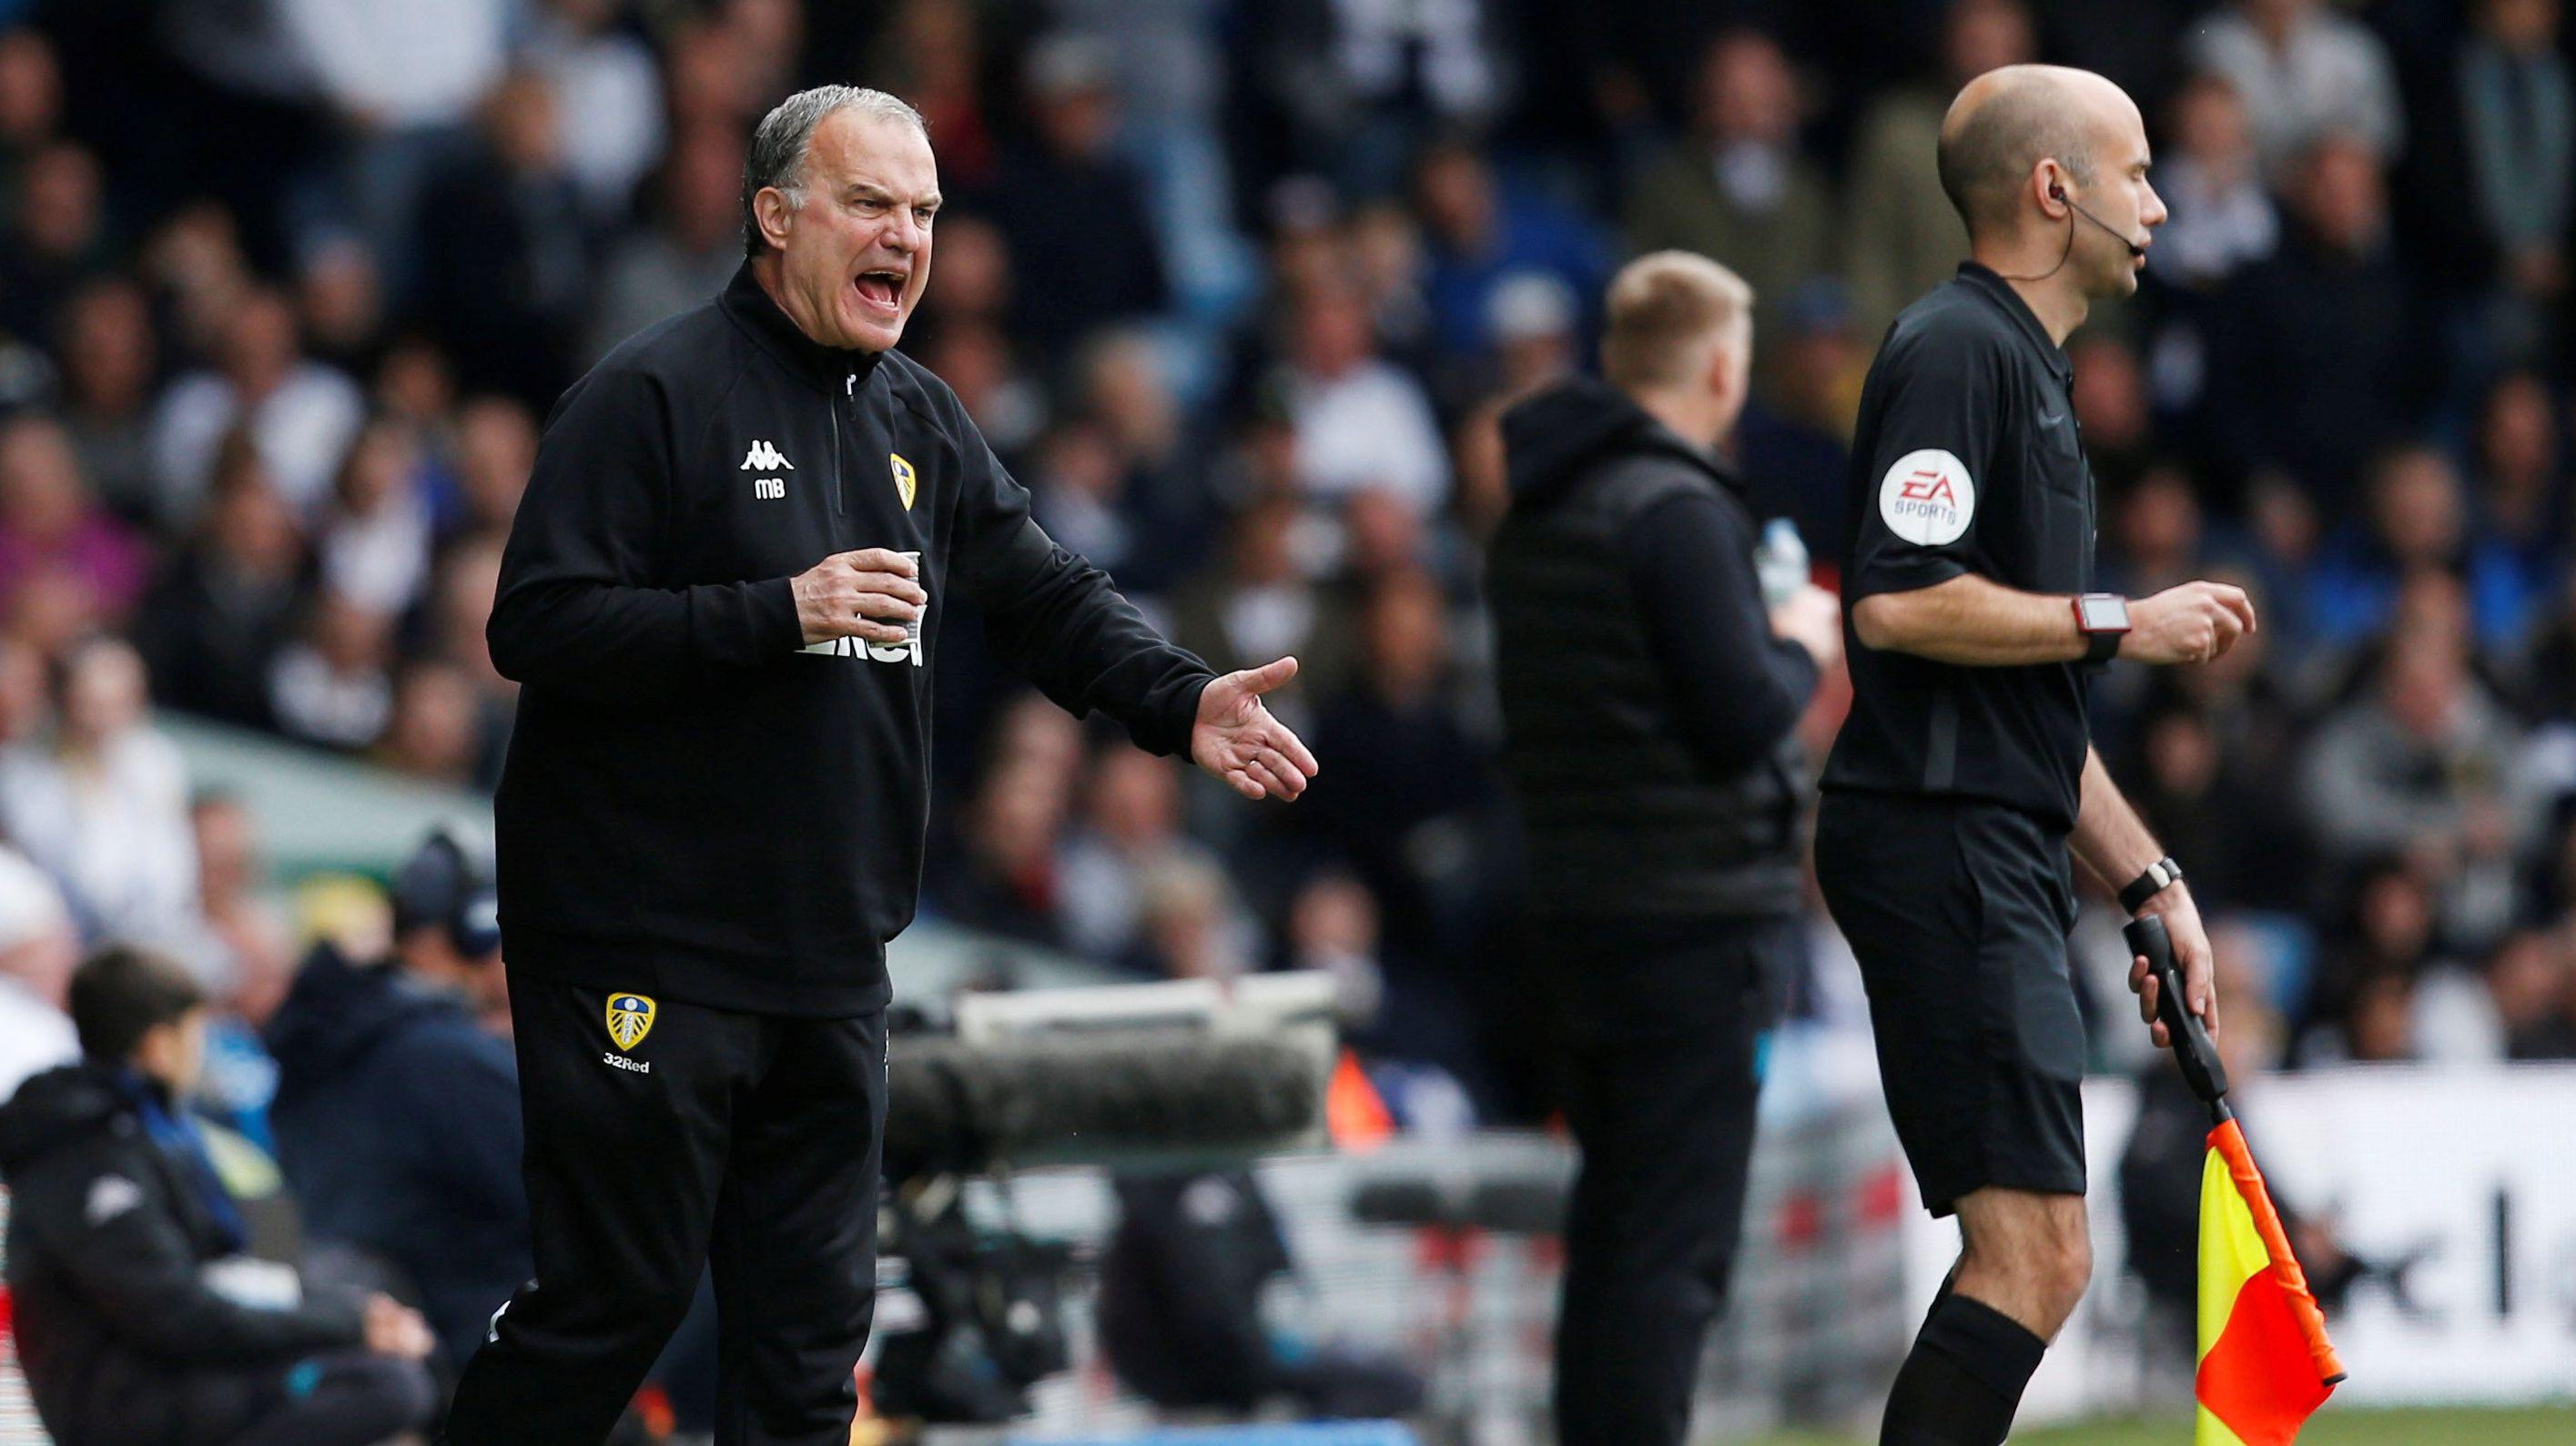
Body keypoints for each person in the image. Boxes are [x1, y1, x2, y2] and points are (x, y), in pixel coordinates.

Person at [445, 86, 1317, 1446]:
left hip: (834, 962)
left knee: (807, 1351)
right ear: (774, 213)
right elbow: (535, 625)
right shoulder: (648, 394)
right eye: (870, 203)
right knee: (616, 1298)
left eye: (922, 211)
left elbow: (1045, 594)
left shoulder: (918, 417)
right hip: (640, 946)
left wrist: (1181, 697)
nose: (905, 237)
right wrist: (774, 611)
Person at [1810, 65, 2255, 1445]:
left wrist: (2146, 881)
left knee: (2039, 1259)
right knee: (2034, 1258)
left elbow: (2026, 710)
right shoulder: (1956, 350)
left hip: (1989, 832)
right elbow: (1892, 597)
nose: (2161, 205)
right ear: (2052, 189)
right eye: (2134, 175)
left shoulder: (2028, 372)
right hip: (1937, 838)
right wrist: (2124, 619)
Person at [1485, 250, 1841, 1446]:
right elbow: (1743, 712)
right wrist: (1797, 635)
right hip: (1692, 919)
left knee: (1615, 1231)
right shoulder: (1676, 507)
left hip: (1579, 912)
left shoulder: (1536, 511)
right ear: (1721, 368)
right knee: (1672, 1251)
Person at [0, 945, 437, 1446]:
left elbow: (242, 1256)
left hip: (166, 1374)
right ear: (160, 1045)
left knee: (379, 1310)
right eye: (196, 1033)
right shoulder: (87, 1159)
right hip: (125, 1400)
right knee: (385, 1385)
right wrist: (346, 1325)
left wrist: (350, 1316)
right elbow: (175, 1316)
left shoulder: (148, 1132)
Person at [266, 825, 527, 1375]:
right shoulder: (444, 1058)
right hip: (457, 1353)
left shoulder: (335, 1030)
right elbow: (566, 1197)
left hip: (364, 1334)